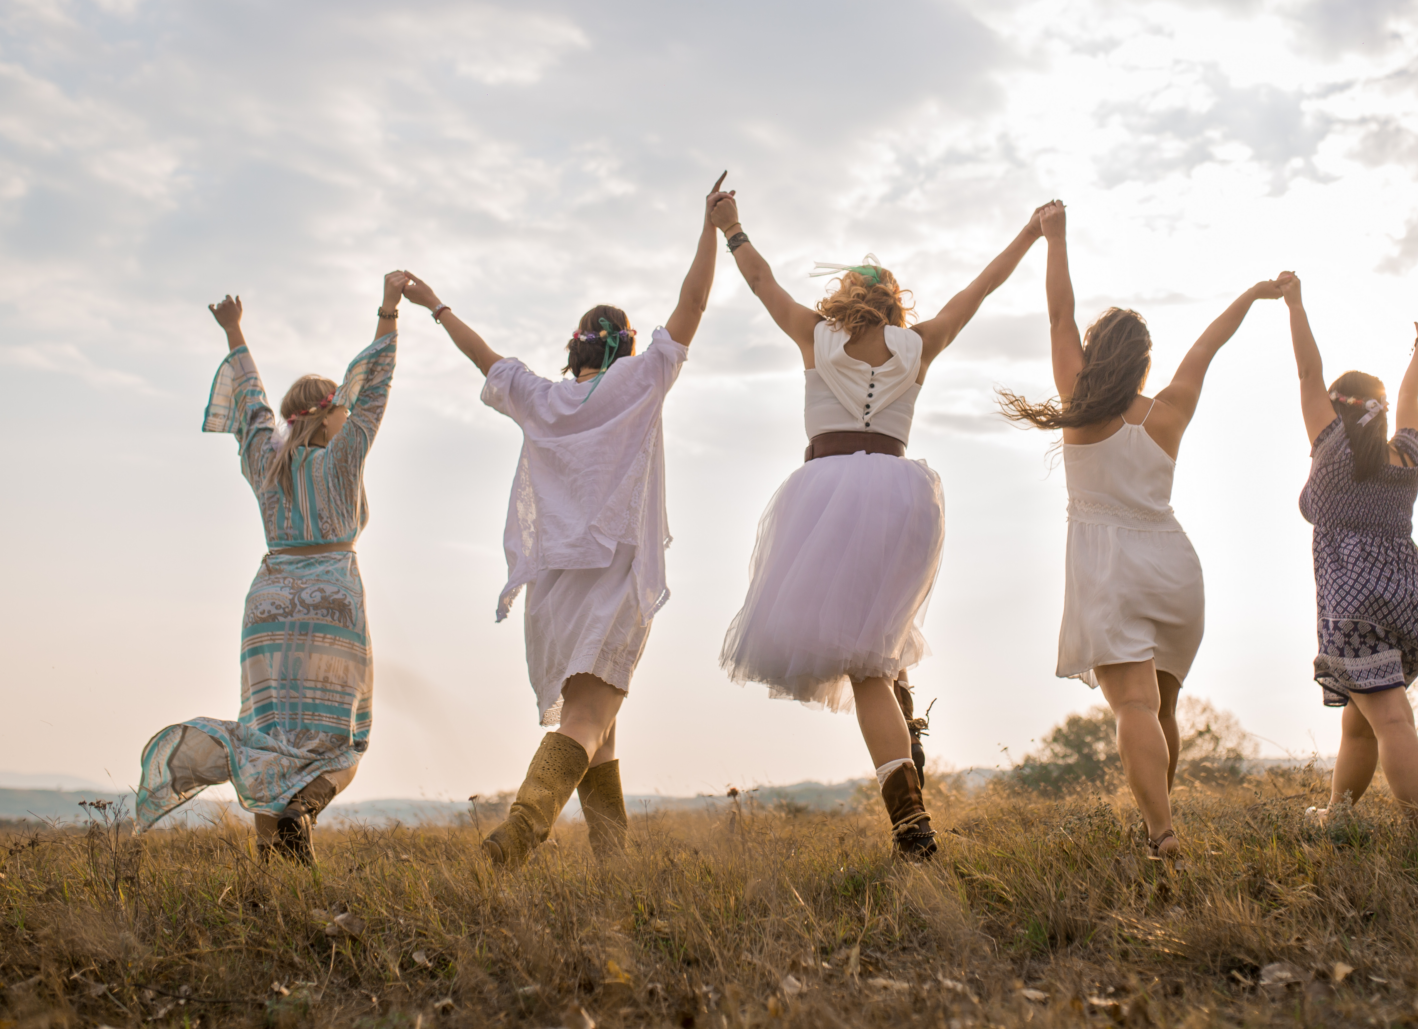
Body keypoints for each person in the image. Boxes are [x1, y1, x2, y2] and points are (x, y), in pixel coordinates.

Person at [400, 177, 729, 867]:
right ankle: (517, 835)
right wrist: (710, 228)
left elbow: (483, 355)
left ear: (575, 352)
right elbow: (694, 302)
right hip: (613, 576)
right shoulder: (642, 381)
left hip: (552, 583)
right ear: (627, 348)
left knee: (599, 727)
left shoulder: (541, 397)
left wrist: (435, 305)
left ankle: (614, 864)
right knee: (587, 717)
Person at [711, 192, 1046, 859]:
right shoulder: (919, 344)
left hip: (827, 492)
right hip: (900, 496)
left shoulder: (814, 334)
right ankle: (908, 732)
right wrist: (1030, 234)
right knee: (878, 640)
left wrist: (732, 230)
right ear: (896, 306)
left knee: (864, 663)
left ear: (842, 300)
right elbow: (981, 287)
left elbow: (760, 281)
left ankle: (910, 824)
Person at [998, 201, 1283, 860]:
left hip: (1109, 566)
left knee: (1131, 706)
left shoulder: (1077, 402)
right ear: (1146, 365)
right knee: (1160, 710)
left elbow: (1059, 315)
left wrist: (1057, 237)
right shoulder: (1170, 410)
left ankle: (1162, 834)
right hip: (1173, 566)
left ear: (1097, 357)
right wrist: (1253, 293)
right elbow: (1209, 344)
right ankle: (1162, 823)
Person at [136, 271, 409, 862]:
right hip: (331, 601)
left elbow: (250, 398)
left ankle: (276, 874)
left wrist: (235, 332)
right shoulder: (345, 452)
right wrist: (388, 310)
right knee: (342, 737)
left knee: (268, 735)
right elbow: (377, 387)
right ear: (334, 410)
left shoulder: (265, 456)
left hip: (269, 604)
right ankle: (303, 807)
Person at [1278, 271, 1418, 833]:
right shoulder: (1406, 457)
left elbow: (1308, 371)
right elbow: (1410, 396)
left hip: (1358, 607)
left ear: (1337, 410)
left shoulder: (1331, 451)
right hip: (1413, 600)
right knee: (1361, 719)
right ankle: (1338, 818)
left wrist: (1296, 304)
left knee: (1392, 717)